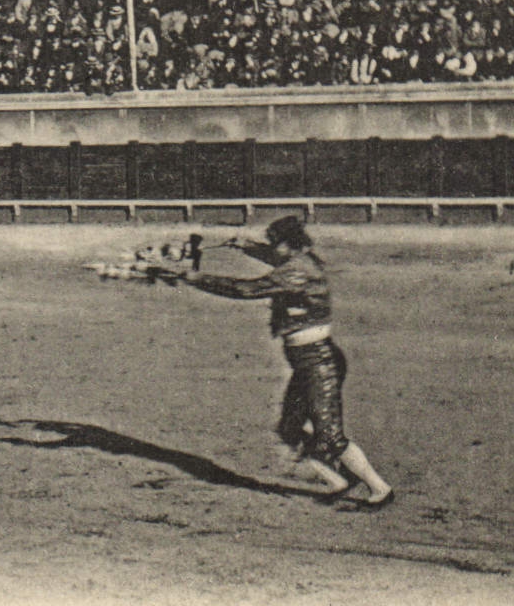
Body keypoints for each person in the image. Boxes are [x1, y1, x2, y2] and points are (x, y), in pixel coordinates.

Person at [150, 216, 394, 508]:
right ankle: (339, 481)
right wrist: (245, 246)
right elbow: (273, 257)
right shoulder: (300, 260)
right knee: (290, 428)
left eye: (274, 242)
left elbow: (245, 289)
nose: (272, 247)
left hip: (319, 364)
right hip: (310, 362)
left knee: (329, 434)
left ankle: (380, 489)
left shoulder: (297, 270)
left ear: (289, 244)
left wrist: (197, 279)